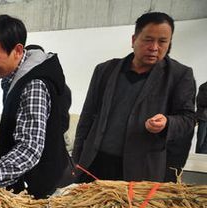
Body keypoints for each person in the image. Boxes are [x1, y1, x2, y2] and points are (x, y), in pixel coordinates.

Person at [72, 12, 196, 182]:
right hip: (95, 165)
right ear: (133, 40)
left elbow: (188, 119)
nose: (154, 47)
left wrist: (167, 123)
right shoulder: (105, 70)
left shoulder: (179, 75)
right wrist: (77, 160)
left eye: (162, 42)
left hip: (141, 173)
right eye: (148, 39)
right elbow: (87, 117)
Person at [0, 15, 72, 199]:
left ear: (18, 51)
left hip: (37, 188)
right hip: (27, 181)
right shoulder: (15, 78)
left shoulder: (34, 84)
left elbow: (30, 148)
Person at [195, 81, 207, 154]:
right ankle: (199, 157)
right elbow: (201, 101)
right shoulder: (204, 86)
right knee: (201, 141)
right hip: (204, 118)